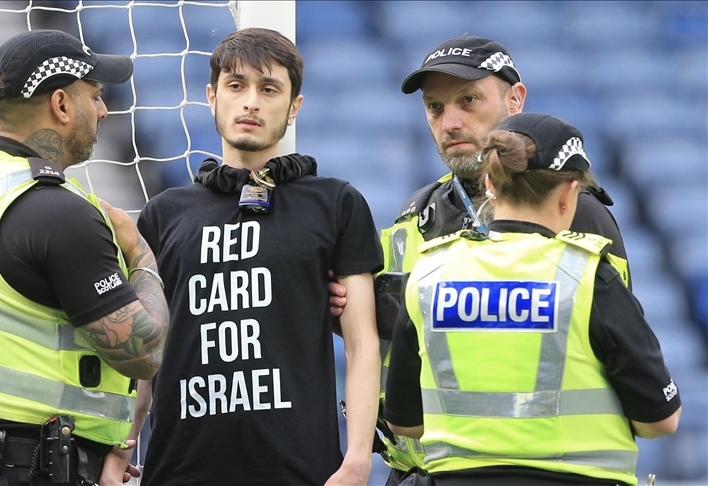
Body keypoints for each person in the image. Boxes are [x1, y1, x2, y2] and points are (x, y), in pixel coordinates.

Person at [327, 35, 633, 483]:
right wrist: (349, 309)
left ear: (515, 99)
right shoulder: (415, 212)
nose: (450, 122)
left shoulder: (575, 212)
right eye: (435, 108)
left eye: (468, 100)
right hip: (413, 473)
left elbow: (621, 351)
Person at [0, 29, 169, 486]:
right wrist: (140, 254)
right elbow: (143, 351)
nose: (104, 110)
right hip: (26, 466)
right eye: (97, 95)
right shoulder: (60, 212)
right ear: (62, 105)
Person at [132, 28, 382, 486]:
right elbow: (145, 349)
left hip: (301, 470)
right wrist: (121, 444)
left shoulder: (335, 203)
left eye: (269, 90)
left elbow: (362, 341)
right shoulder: (164, 214)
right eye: (236, 85)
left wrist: (358, 458)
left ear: (294, 107)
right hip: (179, 470)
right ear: (212, 96)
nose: (251, 102)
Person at [384, 112, 682, 486]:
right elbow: (660, 420)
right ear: (569, 192)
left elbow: (404, 422)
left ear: (489, 184)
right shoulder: (589, 276)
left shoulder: (429, 273)